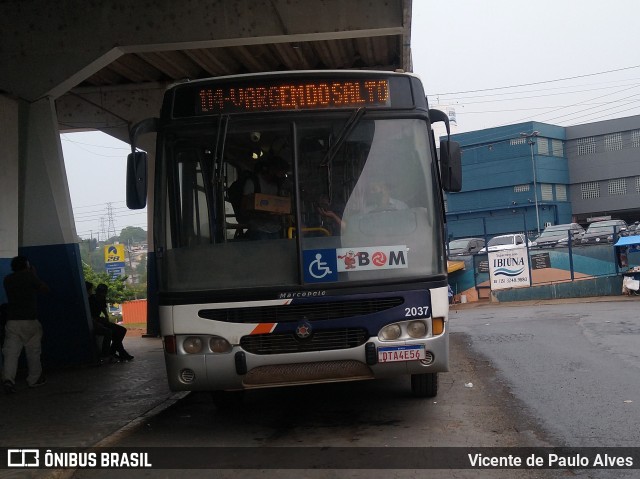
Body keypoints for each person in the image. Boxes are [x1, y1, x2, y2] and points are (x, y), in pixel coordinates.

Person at [2, 255, 49, 393]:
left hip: (12, 322)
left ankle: (8, 380)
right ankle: (34, 379)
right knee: (33, 352)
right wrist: (34, 274)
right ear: (27, 265)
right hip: (30, 321)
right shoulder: (29, 276)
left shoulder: (7, 279)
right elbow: (45, 289)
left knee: (11, 353)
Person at [242, 156, 290, 240]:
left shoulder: (276, 185)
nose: (282, 176)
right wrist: (263, 213)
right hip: (258, 229)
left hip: (275, 229)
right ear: (271, 169)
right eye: (280, 173)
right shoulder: (253, 183)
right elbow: (244, 207)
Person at [88, 283, 134, 361]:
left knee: (122, 330)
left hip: (101, 320)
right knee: (117, 332)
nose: (102, 294)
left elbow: (103, 308)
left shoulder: (102, 298)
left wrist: (106, 316)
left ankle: (114, 352)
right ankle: (119, 352)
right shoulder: (91, 299)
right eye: (101, 292)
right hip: (97, 321)